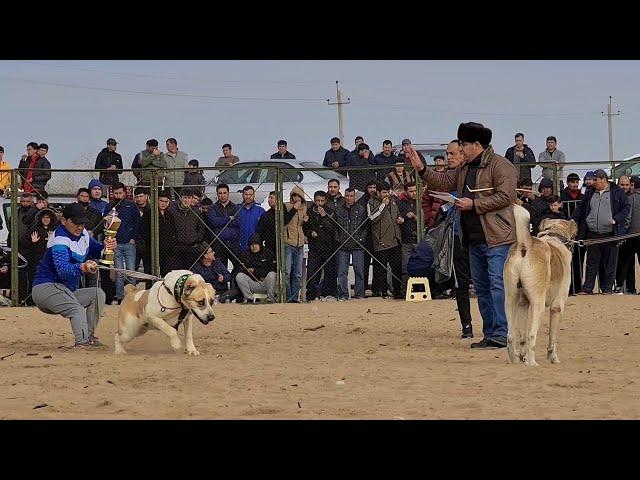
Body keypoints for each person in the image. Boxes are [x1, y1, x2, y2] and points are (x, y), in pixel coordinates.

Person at [406, 122, 518, 349]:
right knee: (483, 287)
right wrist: (421, 169)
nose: (461, 149)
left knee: (497, 284)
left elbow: (506, 196)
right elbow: (444, 182)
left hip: (497, 237)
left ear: (477, 144)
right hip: (473, 238)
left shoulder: (501, 166)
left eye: (464, 144)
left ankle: (502, 332)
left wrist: (474, 204)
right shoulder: (465, 168)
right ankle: (490, 333)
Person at [31, 203, 116, 348]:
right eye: (76, 223)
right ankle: (82, 343)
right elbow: (63, 270)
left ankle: (89, 338)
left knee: (97, 294)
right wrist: (83, 267)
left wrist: (107, 247)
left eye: (82, 223)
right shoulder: (59, 240)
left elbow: (97, 250)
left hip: (66, 290)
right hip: (46, 289)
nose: (80, 227)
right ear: (64, 221)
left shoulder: (83, 234)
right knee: (76, 308)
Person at [573, 169, 629, 295]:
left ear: (603, 179)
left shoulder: (617, 192)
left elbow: (626, 208)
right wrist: (573, 219)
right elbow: (581, 207)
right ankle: (587, 288)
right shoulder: (590, 192)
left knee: (610, 263)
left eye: (595, 180)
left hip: (610, 233)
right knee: (592, 262)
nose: (593, 182)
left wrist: (616, 219)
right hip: (592, 232)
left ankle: (607, 288)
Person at [105, 182, 140, 304]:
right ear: (112, 194)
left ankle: (133, 297)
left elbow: (137, 223)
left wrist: (133, 238)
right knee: (119, 273)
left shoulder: (131, 205)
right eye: (116, 193)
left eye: (120, 193)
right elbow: (106, 223)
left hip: (129, 243)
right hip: (115, 243)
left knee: (131, 272)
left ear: (125, 193)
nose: (118, 195)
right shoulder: (109, 207)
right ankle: (120, 298)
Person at [367, 181, 403, 299]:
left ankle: (397, 291)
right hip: (381, 241)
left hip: (395, 240)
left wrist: (400, 219)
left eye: (388, 192)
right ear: (378, 192)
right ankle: (382, 291)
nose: (386, 194)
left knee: (396, 267)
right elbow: (371, 218)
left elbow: (397, 213)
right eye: (384, 192)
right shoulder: (371, 202)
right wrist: (382, 206)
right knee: (381, 269)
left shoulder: (393, 201)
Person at [334, 188, 368, 300]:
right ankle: (343, 294)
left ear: (355, 197)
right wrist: (338, 239)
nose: (349, 198)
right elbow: (335, 228)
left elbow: (365, 227)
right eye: (347, 196)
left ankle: (359, 293)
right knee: (342, 271)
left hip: (358, 245)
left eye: (351, 196)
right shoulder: (338, 210)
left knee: (359, 270)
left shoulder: (361, 209)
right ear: (344, 196)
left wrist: (361, 239)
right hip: (342, 245)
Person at [303, 191, 336, 301]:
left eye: (322, 201)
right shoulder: (309, 212)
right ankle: (311, 294)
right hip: (314, 248)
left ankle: (327, 294)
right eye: (317, 201)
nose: (320, 203)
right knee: (312, 272)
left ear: (325, 201)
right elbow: (305, 229)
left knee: (329, 272)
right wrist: (309, 230)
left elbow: (332, 229)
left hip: (328, 247)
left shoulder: (330, 212)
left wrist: (324, 217)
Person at [208, 183, 242, 274]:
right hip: (219, 243)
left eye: (224, 193)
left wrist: (221, 221)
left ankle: (234, 285)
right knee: (220, 268)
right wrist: (229, 218)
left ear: (228, 193)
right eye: (220, 193)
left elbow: (238, 222)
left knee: (239, 266)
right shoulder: (212, 208)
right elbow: (214, 222)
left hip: (233, 243)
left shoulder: (235, 207)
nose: (222, 195)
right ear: (217, 194)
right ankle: (223, 288)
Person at [615, 176, 639, 294]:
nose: (626, 187)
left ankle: (621, 287)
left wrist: (621, 235)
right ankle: (630, 288)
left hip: (630, 236)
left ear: (632, 185)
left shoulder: (631, 198)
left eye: (628, 185)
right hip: (633, 235)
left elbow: (627, 219)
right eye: (622, 185)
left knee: (625, 262)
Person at [236, 234, 278, 303]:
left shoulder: (268, 253)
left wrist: (255, 271)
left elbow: (272, 268)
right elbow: (240, 269)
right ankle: (250, 299)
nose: (254, 247)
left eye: (256, 244)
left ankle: (270, 299)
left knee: (272, 274)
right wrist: (248, 271)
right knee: (239, 276)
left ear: (260, 244)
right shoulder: (246, 254)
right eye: (251, 245)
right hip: (253, 283)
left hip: (265, 282)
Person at [283, 186, 307, 302]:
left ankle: (294, 297)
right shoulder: (286, 206)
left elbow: (303, 226)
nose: (297, 198)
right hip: (288, 242)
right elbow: (284, 220)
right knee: (287, 272)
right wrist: (294, 208)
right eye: (294, 195)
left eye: (299, 196)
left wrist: (306, 221)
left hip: (300, 243)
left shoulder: (304, 208)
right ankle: (287, 297)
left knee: (297, 273)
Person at [398, 182, 418, 296]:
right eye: (411, 191)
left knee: (419, 266)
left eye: (415, 190)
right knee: (405, 267)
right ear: (406, 192)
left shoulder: (419, 203)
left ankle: (419, 288)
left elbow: (425, 219)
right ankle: (405, 290)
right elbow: (398, 218)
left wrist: (416, 218)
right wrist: (405, 216)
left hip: (419, 240)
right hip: (405, 240)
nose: (413, 193)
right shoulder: (400, 204)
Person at [236, 185, 265, 252]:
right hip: (241, 246)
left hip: (255, 247)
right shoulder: (237, 209)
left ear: (254, 195)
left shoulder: (260, 210)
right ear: (242, 195)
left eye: (250, 194)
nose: (248, 197)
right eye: (246, 194)